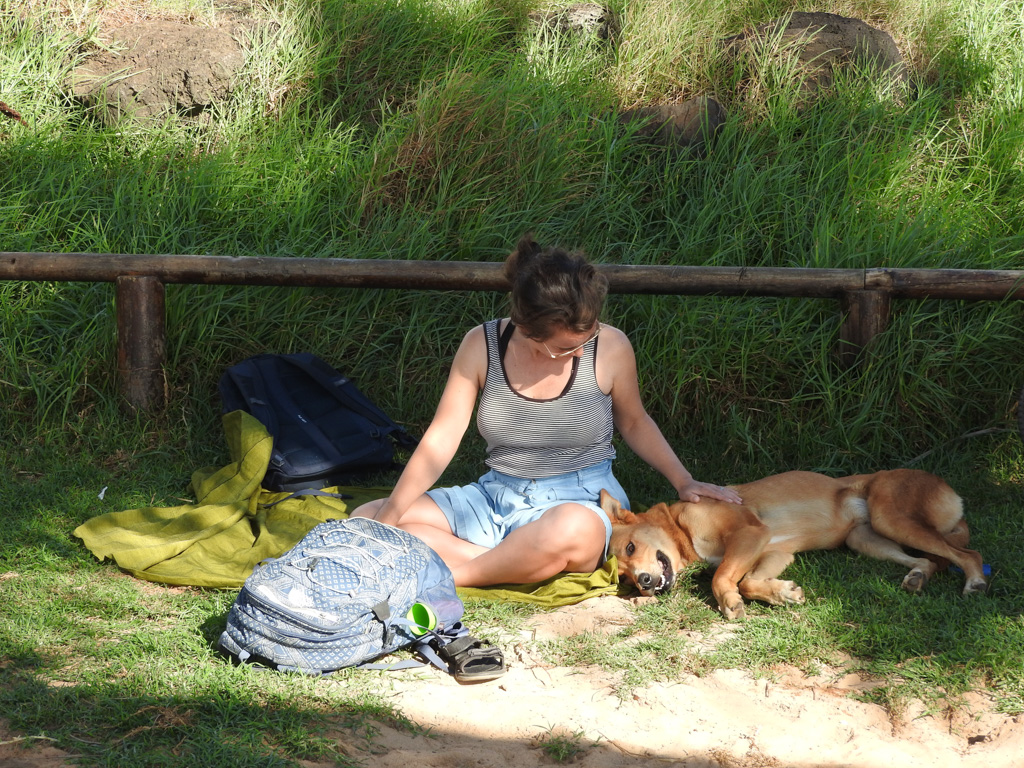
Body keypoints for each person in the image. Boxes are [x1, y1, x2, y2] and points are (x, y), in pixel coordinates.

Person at [351, 234, 741, 588]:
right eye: (561, 349)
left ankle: (454, 574)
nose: (573, 354)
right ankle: (509, 562)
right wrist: (389, 516)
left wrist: (683, 480)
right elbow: (442, 437)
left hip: (577, 502)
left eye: (582, 343)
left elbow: (635, 420)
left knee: (574, 529)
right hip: (495, 496)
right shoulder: (481, 344)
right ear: (524, 326)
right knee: (368, 516)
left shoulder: (611, 346)